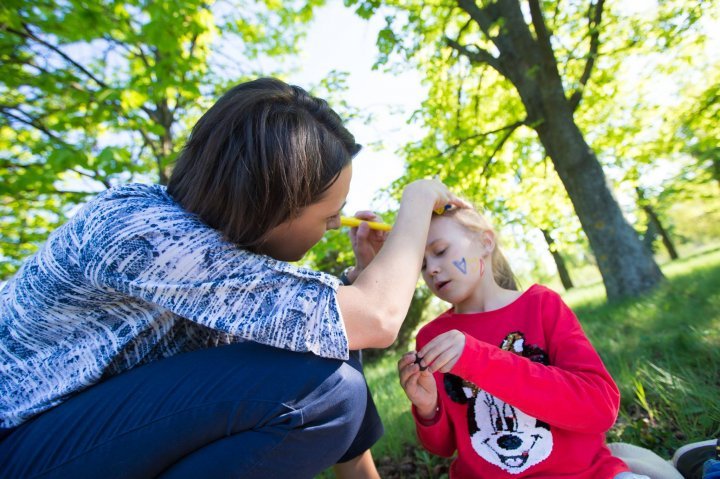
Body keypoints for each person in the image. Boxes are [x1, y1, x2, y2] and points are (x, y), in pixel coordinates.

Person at [0, 77, 468, 478]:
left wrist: (364, 278)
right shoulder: (143, 232)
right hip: (18, 444)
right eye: (330, 213)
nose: (333, 225)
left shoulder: (215, 264)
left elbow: (339, 332)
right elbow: (377, 317)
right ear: (274, 208)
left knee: (319, 353)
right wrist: (418, 200)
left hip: (67, 439)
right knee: (324, 389)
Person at [396, 206, 684, 479]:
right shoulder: (431, 337)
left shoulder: (541, 306)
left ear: (485, 242)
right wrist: (428, 409)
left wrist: (479, 360)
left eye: (440, 251)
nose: (432, 269)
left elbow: (599, 407)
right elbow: (444, 446)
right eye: (422, 264)